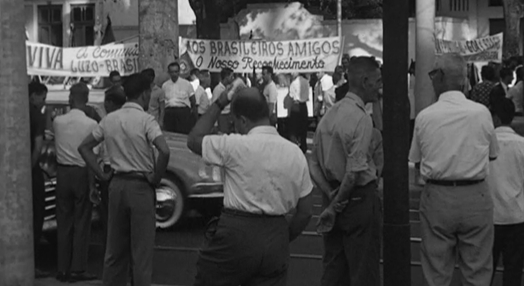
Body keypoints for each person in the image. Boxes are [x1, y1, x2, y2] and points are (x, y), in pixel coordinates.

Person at [187, 86, 314, 286]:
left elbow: (194, 139)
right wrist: (282, 237)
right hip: (276, 233)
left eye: (235, 122)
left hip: (237, 232)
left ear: (243, 121)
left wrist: (220, 102)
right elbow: (306, 211)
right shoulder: (295, 153)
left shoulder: (233, 145)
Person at [409, 53, 499, 286]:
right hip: (476, 194)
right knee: (478, 269)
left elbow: (416, 161)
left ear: (439, 78)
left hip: (438, 196)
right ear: (463, 80)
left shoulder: (425, 117)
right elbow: (493, 155)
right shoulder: (482, 113)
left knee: (436, 270)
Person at [78, 73, 171, 286]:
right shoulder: (147, 120)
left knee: (114, 251)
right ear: (145, 94)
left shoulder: (110, 119)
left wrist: (101, 174)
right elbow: (164, 151)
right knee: (141, 254)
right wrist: (156, 177)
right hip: (141, 186)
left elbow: (84, 147)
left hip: (116, 185)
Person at [309, 56, 383, 286]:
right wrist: (337, 203)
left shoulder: (330, 115)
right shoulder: (361, 119)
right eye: (378, 81)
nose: (380, 86)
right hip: (358, 199)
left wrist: (330, 197)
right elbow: (354, 172)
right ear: (365, 81)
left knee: (333, 268)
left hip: (331, 192)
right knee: (363, 270)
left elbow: (313, 163)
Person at [53, 83, 98, 283]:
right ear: (86, 99)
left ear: (70, 98)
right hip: (81, 172)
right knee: (82, 223)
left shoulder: (58, 121)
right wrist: (92, 186)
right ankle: (78, 268)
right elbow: (91, 158)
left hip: (62, 173)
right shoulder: (90, 124)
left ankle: (62, 267)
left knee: (63, 222)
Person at [487, 98, 524, 286]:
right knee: (513, 272)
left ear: (496, 118)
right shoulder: (521, 144)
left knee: (484, 272)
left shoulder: (484, 144)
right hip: (517, 217)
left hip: (490, 217)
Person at [93, 85, 126, 275]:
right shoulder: (136, 120)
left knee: (109, 219)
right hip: (130, 172)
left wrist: (100, 175)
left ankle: (111, 260)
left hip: (110, 171)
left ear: (111, 103)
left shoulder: (106, 122)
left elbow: (89, 149)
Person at [28, 82, 50, 278]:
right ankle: (31, 264)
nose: (44, 102)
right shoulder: (37, 115)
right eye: (42, 97)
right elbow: (38, 146)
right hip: (31, 174)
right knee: (35, 216)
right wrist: (30, 168)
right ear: (34, 95)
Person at [162, 62, 197, 134]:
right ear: (169, 73)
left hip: (183, 113)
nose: (174, 74)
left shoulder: (187, 84)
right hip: (169, 113)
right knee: (170, 134)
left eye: (176, 71)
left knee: (182, 134)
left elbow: (193, 100)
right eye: (172, 72)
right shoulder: (165, 85)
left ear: (179, 72)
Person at [289, 72, 310, 153]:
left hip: (296, 105)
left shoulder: (293, 83)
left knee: (293, 128)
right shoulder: (306, 82)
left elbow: (291, 95)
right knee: (303, 128)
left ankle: (294, 146)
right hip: (304, 106)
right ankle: (303, 146)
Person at [211, 68, 235, 134]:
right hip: (222, 117)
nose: (233, 78)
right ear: (226, 77)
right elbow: (214, 106)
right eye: (231, 76)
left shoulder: (228, 88)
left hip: (228, 116)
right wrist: (215, 124)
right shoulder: (218, 89)